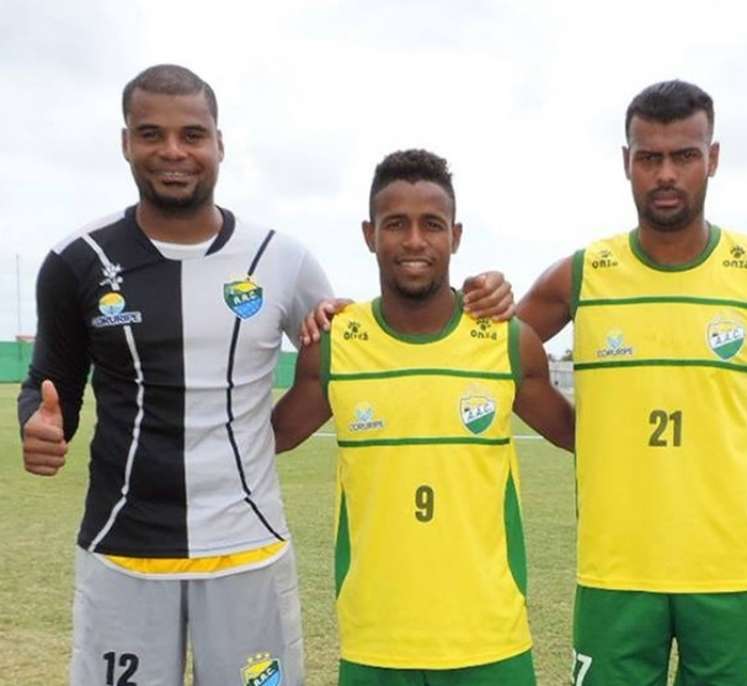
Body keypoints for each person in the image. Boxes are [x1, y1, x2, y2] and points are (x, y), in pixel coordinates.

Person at [16, 65, 510, 686]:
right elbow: (49, 383)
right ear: (125, 143)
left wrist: (486, 292)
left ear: (219, 144)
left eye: (192, 135)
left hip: (247, 548)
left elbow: (368, 338)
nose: (173, 152)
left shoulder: (280, 259)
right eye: (151, 134)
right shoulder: (78, 260)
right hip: (122, 546)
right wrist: (38, 422)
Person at [515, 80, 747, 685]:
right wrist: (584, 433)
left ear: (713, 158)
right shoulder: (583, 274)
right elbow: (496, 357)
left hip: (731, 574)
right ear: (625, 161)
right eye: (648, 157)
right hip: (615, 572)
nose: (666, 174)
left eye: (684, 155)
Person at [272, 149, 575, 686]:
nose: (414, 241)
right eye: (396, 224)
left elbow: (587, 437)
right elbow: (264, 439)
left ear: (455, 237)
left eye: (431, 225)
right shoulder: (337, 346)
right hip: (376, 643)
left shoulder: (507, 342)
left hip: (491, 640)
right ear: (369, 235)